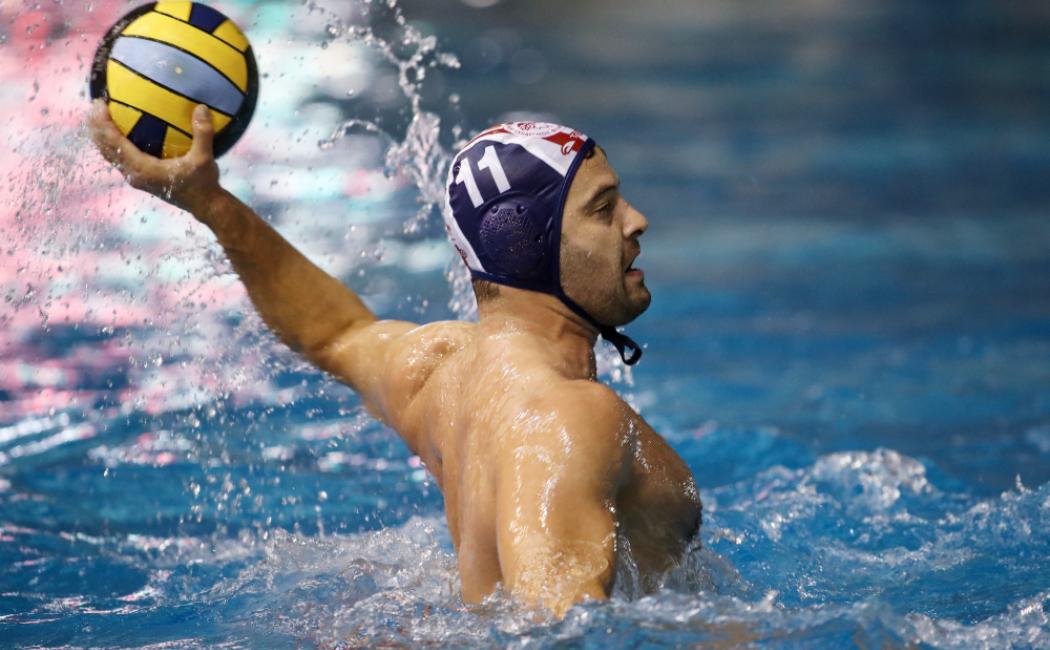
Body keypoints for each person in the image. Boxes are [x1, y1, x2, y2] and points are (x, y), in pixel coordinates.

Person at [88, 101, 702, 617]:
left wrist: (209, 202)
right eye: (603, 208)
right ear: (523, 242)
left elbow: (335, 332)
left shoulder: (442, 372)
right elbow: (554, 632)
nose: (637, 221)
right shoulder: (567, 418)